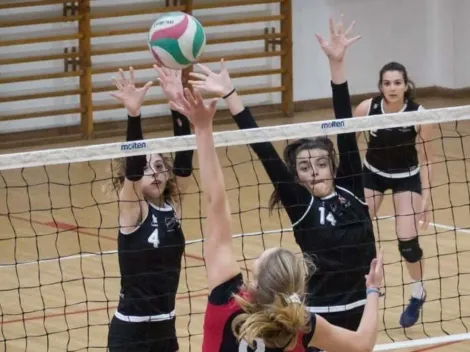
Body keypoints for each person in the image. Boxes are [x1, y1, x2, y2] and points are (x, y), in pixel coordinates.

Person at [187, 16, 376, 345]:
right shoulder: (302, 206)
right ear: (297, 177)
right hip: (319, 316)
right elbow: (264, 149)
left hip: (361, 308)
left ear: (333, 166)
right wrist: (231, 95)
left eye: (320, 163)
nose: (314, 171)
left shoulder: (353, 190)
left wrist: (337, 64)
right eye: (304, 167)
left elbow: (344, 123)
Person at [106, 66, 193, 351]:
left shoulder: (172, 208)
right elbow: (132, 168)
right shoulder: (133, 210)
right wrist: (134, 114)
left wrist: (177, 105)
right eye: (147, 168)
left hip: (166, 328)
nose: (154, 173)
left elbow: (184, 161)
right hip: (131, 332)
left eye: (159, 166)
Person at [355, 61, 433, 327]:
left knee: (407, 242)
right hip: (372, 173)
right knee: (356, 230)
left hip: (406, 177)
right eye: (387, 83)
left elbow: (428, 159)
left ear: (406, 85)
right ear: (380, 86)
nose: (392, 88)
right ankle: (366, 289)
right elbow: (347, 147)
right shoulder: (367, 109)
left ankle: (417, 292)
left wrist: (426, 199)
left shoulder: (418, 113)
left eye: (397, 83)